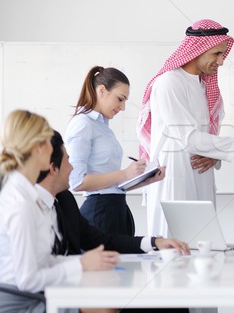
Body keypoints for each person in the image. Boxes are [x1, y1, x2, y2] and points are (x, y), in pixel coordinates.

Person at [137, 18, 234, 237]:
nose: (221, 62)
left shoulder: (202, 84)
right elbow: (189, 138)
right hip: (175, 175)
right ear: (198, 50)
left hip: (201, 172)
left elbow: (206, 136)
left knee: (203, 244)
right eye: (216, 54)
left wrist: (215, 155)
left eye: (222, 55)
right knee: (172, 246)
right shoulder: (170, 82)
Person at [0, 110, 119, 313]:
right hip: (22, 300)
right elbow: (28, 280)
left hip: (34, 292)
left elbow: (43, 260)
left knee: (108, 301)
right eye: (48, 141)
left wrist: (85, 262)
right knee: (105, 308)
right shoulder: (20, 203)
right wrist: (80, 264)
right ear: (38, 148)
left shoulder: (28, 194)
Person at [37, 130, 190, 256]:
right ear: (53, 168)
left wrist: (154, 242)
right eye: (67, 162)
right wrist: (81, 264)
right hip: (40, 292)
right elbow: (31, 274)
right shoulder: (28, 206)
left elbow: (103, 241)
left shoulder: (65, 200)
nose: (72, 168)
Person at [65, 66, 166, 236]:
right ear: (102, 91)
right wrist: (125, 174)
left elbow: (111, 184)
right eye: (120, 99)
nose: (123, 107)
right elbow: (77, 182)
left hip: (116, 210)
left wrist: (145, 180)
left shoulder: (102, 126)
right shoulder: (82, 124)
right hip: (100, 215)